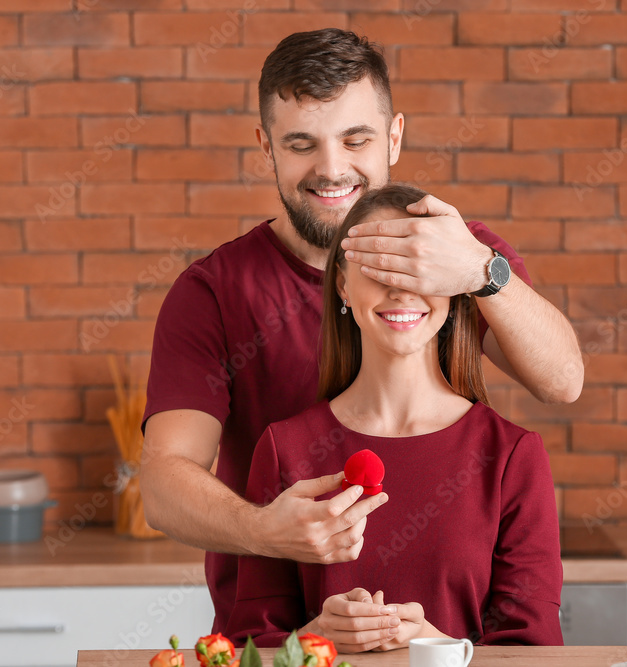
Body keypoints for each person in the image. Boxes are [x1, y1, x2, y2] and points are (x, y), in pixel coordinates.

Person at [140, 28, 582, 636]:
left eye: (356, 139)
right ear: (266, 146)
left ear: (393, 137)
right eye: (301, 144)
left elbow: (562, 382)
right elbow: (164, 484)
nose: (331, 169)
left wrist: (482, 271)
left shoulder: (464, 255)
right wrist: (268, 531)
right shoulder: (215, 290)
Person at [224, 183, 563, 651]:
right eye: (379, 265)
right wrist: (311, 639)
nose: (400, 289)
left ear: (453, 286)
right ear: (343, 283)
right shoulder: (284, 448)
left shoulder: (511, 456)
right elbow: (247, 646)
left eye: (418, 269)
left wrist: (440, 648)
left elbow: (537, 650)